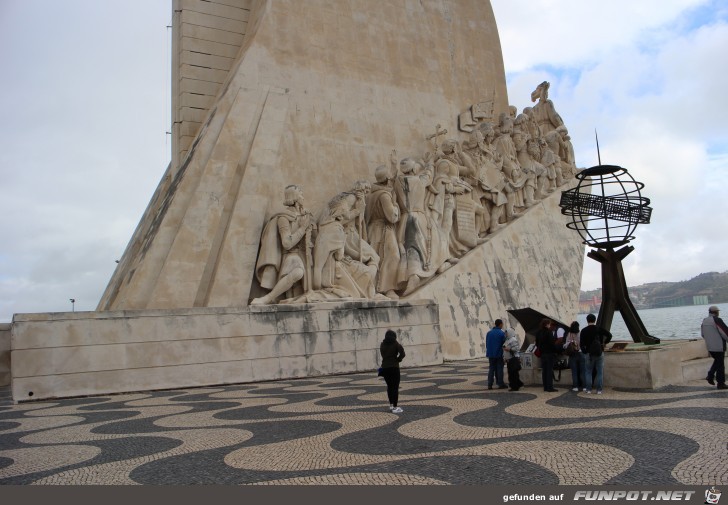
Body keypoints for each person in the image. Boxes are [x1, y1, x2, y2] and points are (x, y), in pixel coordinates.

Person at [251, 185, 315, 305]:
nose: (303, 197)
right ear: (294, 197)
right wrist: (302, 228)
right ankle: (267, 298)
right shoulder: (283, 217)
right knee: (298, 271)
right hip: (291, 255)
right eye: (301, 194)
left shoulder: (305, 216)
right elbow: (287, 243)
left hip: (306, 256)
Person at [580, 313, 612, 394]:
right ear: (595, 320)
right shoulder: (599, 329)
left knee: (588, 371)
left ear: (587, 320)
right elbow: (609, 335)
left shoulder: (584, 330)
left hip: (589, 353)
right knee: (600, 372)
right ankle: (599, 390)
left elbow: (581, 344)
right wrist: (604, 343)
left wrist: (585, 352)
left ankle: (589, 389)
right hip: (599, 352)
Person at [701, 306, 728, 390]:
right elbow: (724, 332)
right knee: (720, 365)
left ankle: (710, 376)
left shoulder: (704, 321)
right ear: (716, 312)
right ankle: (720, 383)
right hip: (719, 346)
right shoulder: (717, 320)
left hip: (710, 346)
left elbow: (702, 334)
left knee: (717, 361)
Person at [380, 329, 406, 413]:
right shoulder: (396, 344)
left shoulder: (382, 344)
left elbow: (383, 354)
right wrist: (398, 359)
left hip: (384, 368)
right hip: (394, 367)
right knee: (395, 387)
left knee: (389, 387)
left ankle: (391, 405)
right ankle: (395, 407)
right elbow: (402, 353)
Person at [536, 318, 562, 392]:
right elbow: (552, 344)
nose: (550, 325)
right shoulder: (549, 332)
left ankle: (545, 387)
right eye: (549, 324)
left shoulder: (539, 332)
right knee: (549, 370)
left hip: (542, 354)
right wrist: (556, 350)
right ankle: (550, 387)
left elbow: (537, 343)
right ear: (547, 324)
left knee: (544, 371)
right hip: (549, 353)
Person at [486, 319, 507, 389]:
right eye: (502, 324)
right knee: (499, 369)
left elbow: (487, 343)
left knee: (491, 369)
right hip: (498, 354)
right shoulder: (501, 333)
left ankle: (489, 384)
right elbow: (504, 344)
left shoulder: (489, 333)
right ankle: (500, 383)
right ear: (500, 324)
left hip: (490, 354)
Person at [563, 321, 584, 392]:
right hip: (580, 353)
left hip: (572, 354)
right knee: (582, 371)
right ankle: (584, 386)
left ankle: (575, 386)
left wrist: (569, 343)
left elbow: (565, 345)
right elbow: (583, 344)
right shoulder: (580, 333)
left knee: (574, 371)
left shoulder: (569, 334)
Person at [503, 327, 524, 391]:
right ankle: (518, 384)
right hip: (509, 359)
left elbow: (516, 349)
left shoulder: (513, 340)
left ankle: (515, 386)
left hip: (513, 358)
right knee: (512, 373)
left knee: (513, 373)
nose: (505, 334)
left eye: (506, 332)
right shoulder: (508, 340)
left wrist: (509, 349)